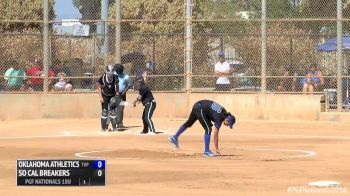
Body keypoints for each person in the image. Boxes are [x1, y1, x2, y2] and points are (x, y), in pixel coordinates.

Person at [168, 100, 236, 157]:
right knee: (208, 129)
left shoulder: (223, 113)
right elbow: (215, 134)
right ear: (227, 120)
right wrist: (216, 148)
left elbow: (211, 111)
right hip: (200, 109)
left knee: (189, 123)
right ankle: (206, 151)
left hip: (198, 105)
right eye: (229, 124)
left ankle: (175, 137)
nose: (228, 126)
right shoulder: (220, 118)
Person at [98, 64, 119, 132]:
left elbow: (117, 85)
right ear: (106, 72)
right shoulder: (102, 77)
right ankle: (103, 128)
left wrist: (117, 94)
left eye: (111, 74)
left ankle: (114, 128)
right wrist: (100, 97)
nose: (110, 76)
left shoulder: (115, 77)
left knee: (113, 111)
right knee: (105, 112)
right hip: (105, 95)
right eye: (109, 75)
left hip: (112, 95)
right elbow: (99, 87)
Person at [114, 63, 131, 129]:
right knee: (112, 109)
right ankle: (111, 124)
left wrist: (124, 92)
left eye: (120, 70)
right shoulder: (113, 75)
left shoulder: (125, 76)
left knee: (120, 109)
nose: (118, 71)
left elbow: (129, 84)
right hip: (113, 94)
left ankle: (120, 123)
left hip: (122, 95)